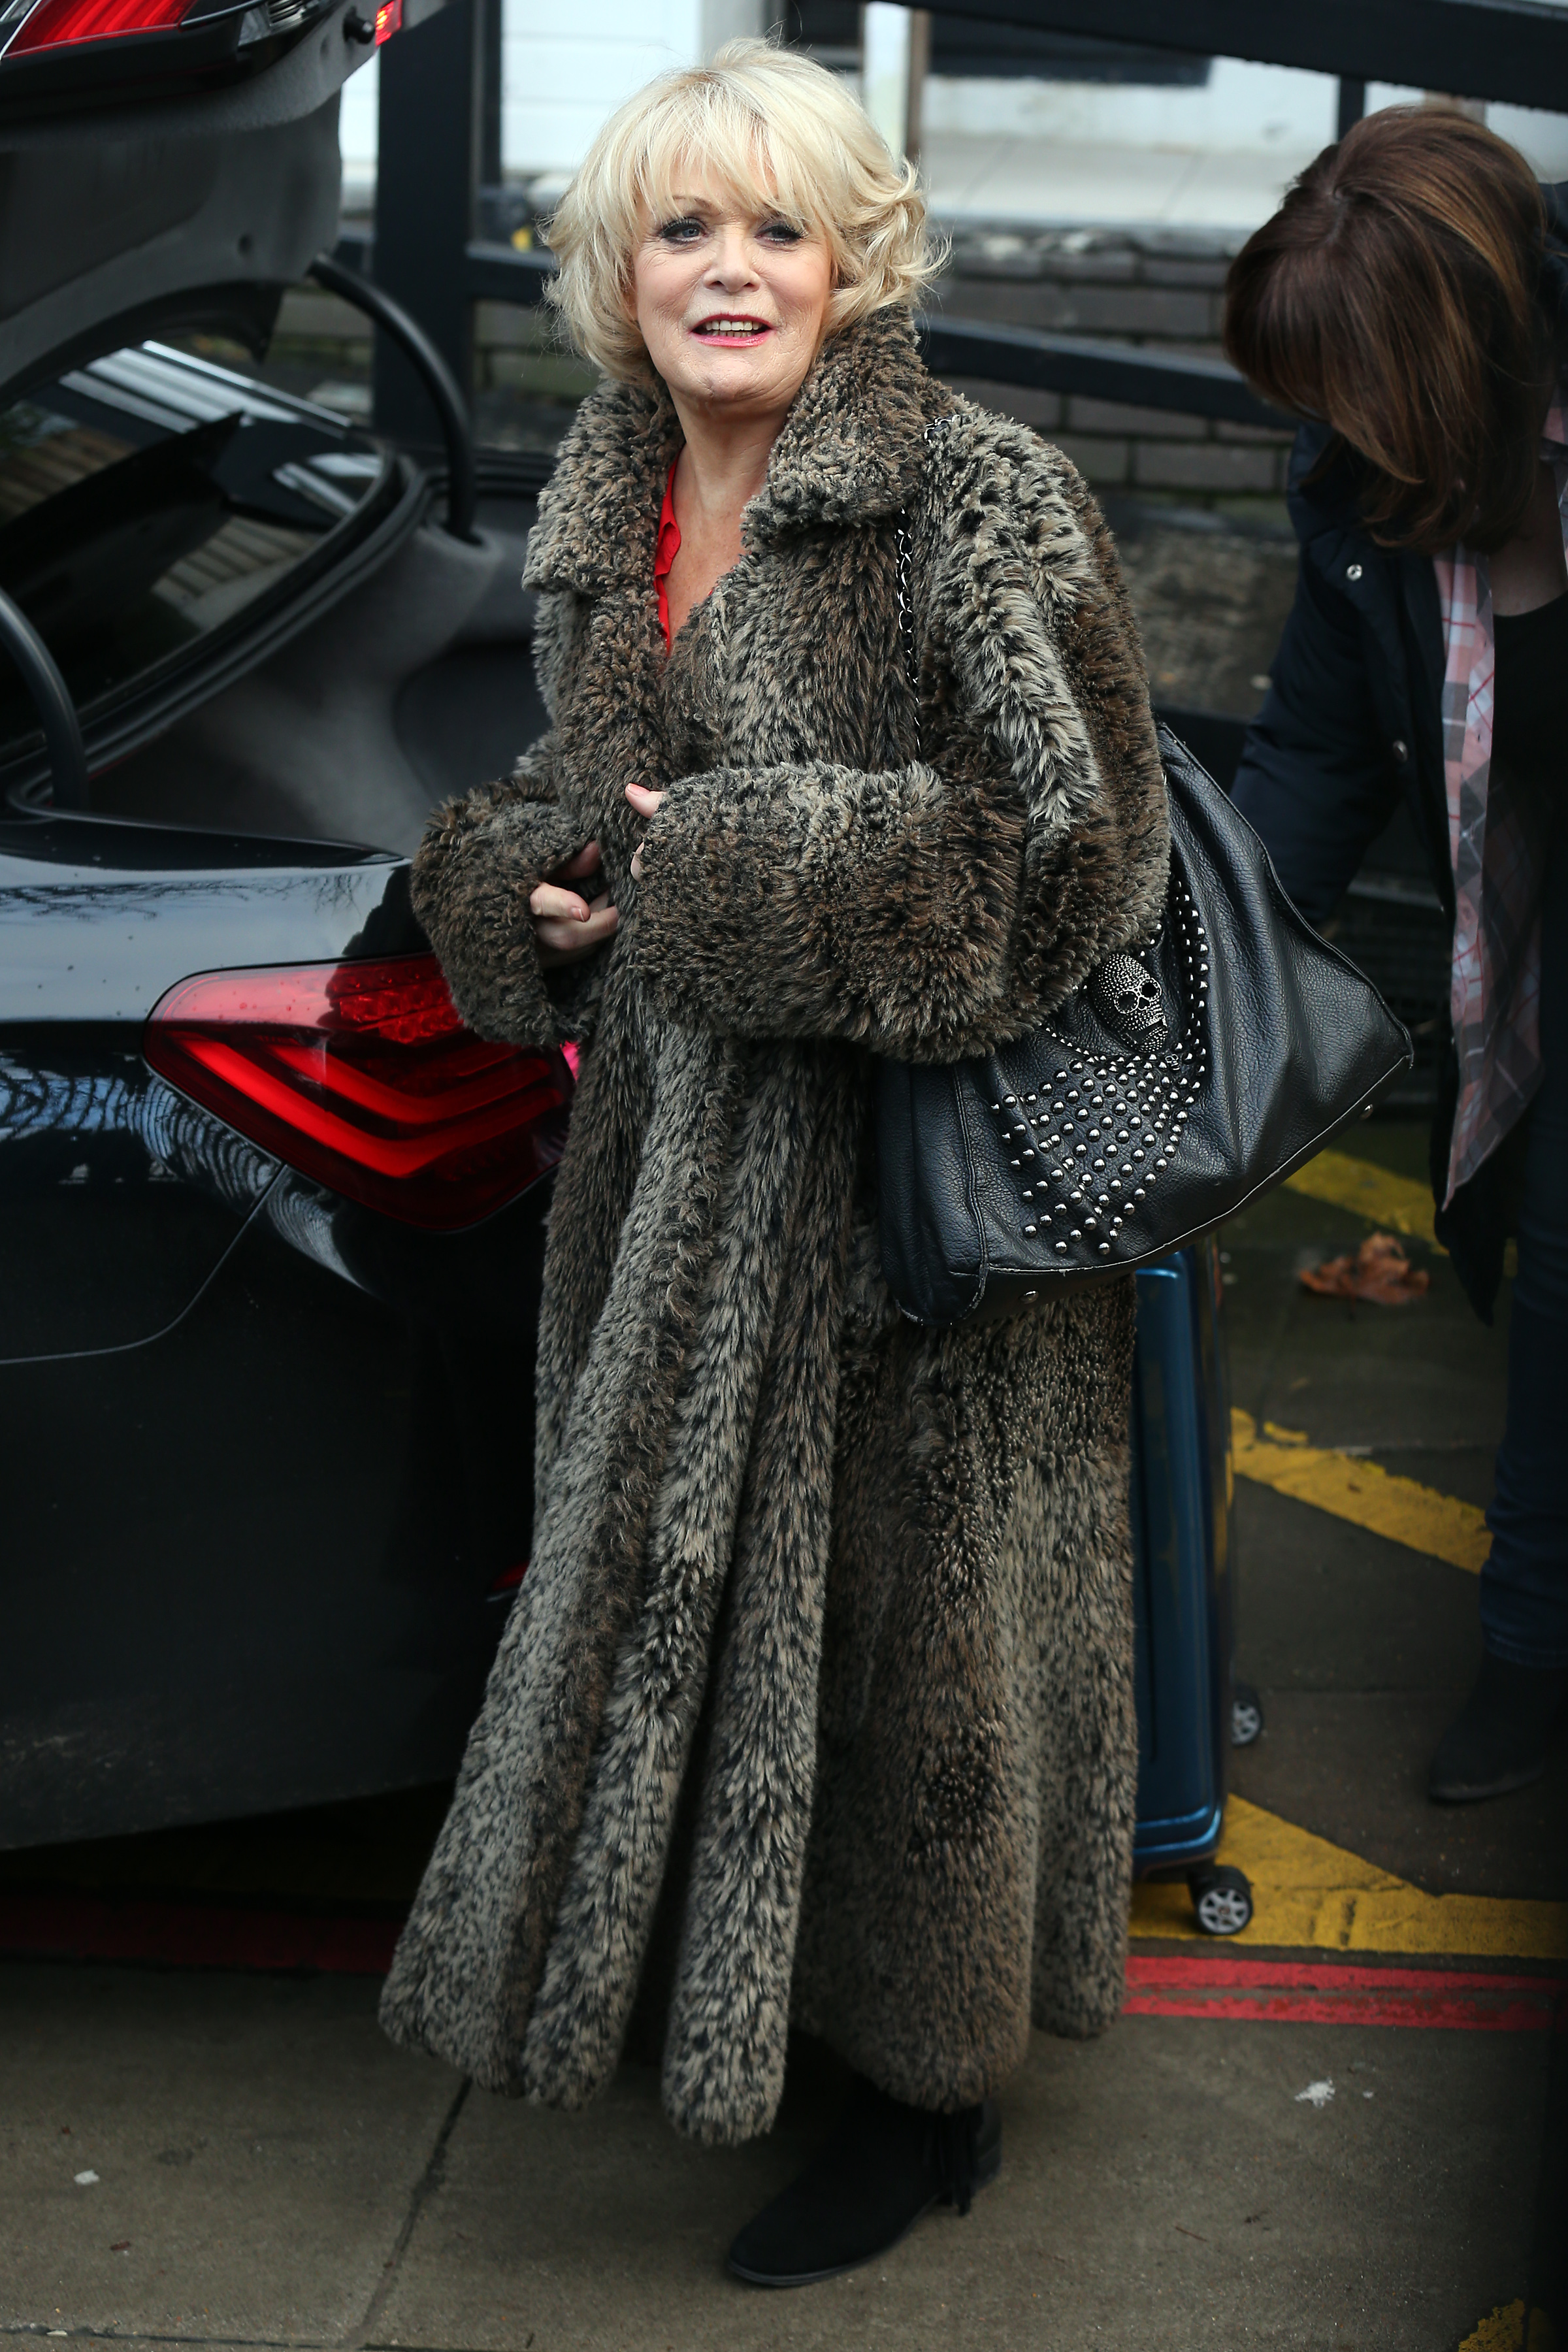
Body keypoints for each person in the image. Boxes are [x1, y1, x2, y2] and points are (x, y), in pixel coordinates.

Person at [378, 39, 1169, 2285]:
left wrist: (704, 881)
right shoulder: (607, 496)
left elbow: (1068, 857)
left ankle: (929, 2100)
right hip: (670, 1192)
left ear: (859, 259)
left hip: (916, 1211)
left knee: (923, 1655)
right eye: (682, 227)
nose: (730, 269)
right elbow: (591, 794)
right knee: (728, 1628)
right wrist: (524, 881)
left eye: (779, 226)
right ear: (615, 273)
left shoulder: (978, 495)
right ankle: (759, 2007)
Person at [1223, 108, 1568, 1803]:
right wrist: (1193, 974)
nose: (1318, 429)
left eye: (1346, 387)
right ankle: (1529, 1664)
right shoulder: (1361, 492)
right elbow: (1314, 762)